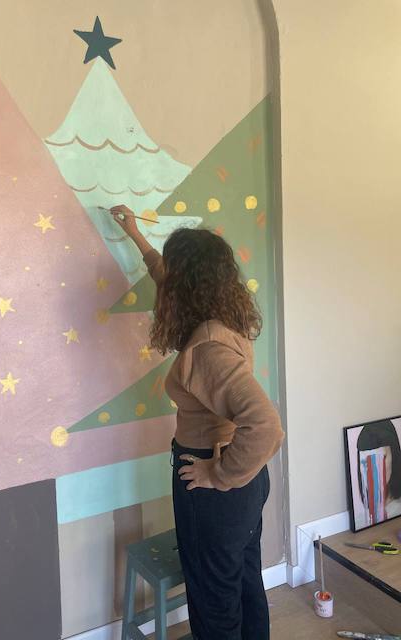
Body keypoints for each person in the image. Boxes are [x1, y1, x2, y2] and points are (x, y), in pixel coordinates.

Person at [111, 205, 285, 640]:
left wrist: (216, 474)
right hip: (244, 484)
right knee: (244, 585)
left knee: (214, 606)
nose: (166, 283)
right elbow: (163, 275)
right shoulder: (224, 320)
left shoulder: (207, 349)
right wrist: (136, 234)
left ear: (185, 287)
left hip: (214, 484)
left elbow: (265, 425)